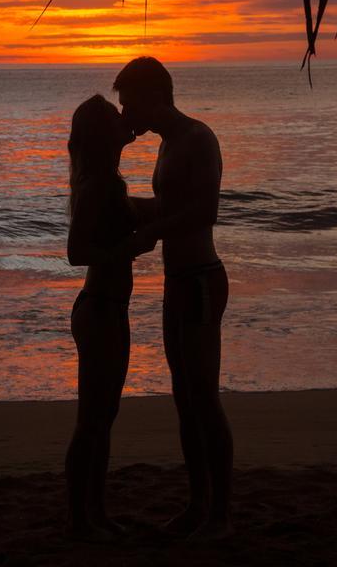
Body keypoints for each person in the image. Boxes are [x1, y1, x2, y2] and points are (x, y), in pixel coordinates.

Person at [114, 57, 233, 540]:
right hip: (177, 280)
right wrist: (125, 208)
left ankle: (220, 514)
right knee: (184, 397)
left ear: (152, 96)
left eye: (129, 104)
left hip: (201, 278)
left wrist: (150, 233)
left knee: (203, 397)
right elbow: (172, 206)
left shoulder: (198, 139)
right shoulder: (167, 145)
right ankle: (197, 503)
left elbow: (205, 211)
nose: (127, 116)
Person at [64, 94, 154, 542]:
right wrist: (131, 247)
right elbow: (75, 253)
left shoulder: (108, 182)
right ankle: (82, 520)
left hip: (108, 309)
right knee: (92, 422)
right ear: (104, 134)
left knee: (104, 417)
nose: (126, 116)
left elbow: (133, 213)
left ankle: (95, 514)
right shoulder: (99, 184)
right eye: (115, 114)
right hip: (99, 309)